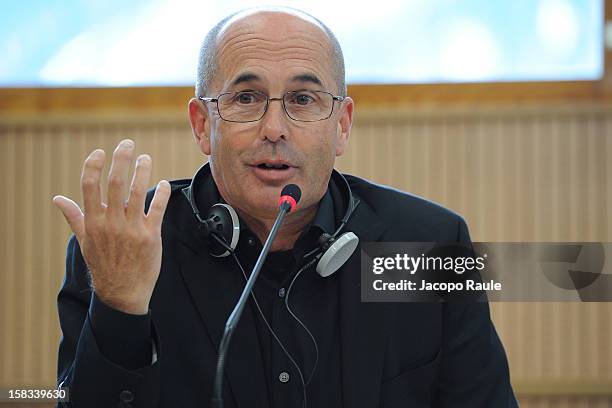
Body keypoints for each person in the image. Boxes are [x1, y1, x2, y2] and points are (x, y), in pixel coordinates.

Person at [53, 6, 518, 408]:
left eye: (302, 99)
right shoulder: (127, 249)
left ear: (342, 125)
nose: (274, 128)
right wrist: (121, 305)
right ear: (202, 124)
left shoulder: (428, 243)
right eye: (247, 98)